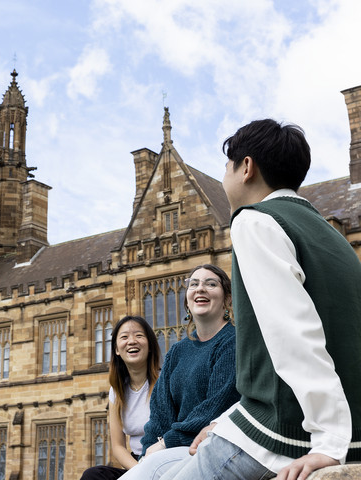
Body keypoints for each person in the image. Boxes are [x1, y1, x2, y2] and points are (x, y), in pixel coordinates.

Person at [160, 119, 361, 480]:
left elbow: (293, 332)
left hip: (288, 435)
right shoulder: (332, 237)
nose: (224, 177)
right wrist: (225, 421)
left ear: (246, 168)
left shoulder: (255, 221)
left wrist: (329, 440)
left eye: (226, 167)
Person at [119, 264, 241, 480]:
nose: (200, 288)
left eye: (211, 284)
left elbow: (215, 409)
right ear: (187, 301)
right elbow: (159, 414)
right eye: (194, 284)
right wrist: (148, 450)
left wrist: (165, 443)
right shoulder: (177, 351)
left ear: (228, 300)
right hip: (175, 449)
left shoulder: (232, 341)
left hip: (210, 446)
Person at [80, 315, 161, 480]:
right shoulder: (116, 391)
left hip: (164, 460)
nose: (132, 341)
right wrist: (140, 471)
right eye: (124, 337)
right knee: (93, 475)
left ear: (150, 345)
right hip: (136, 464)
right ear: (117, 349)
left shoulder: (165, 381)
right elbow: (118, 446)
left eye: (139, 335)